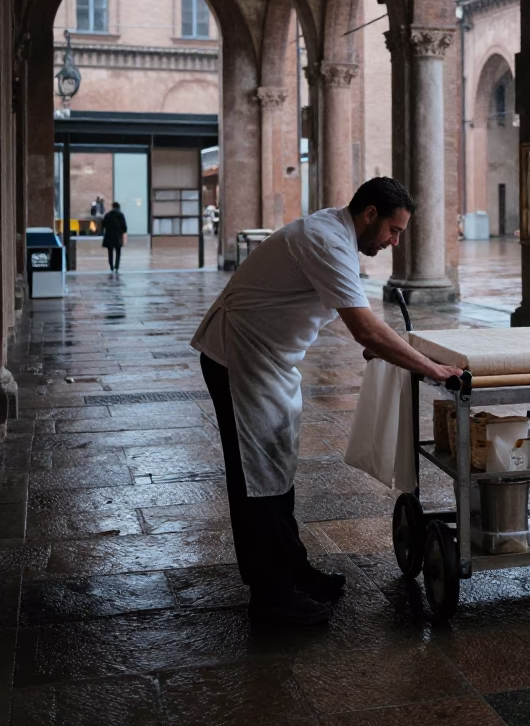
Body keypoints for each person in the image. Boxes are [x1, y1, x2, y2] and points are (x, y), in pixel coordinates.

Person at [190, 177, 462, 626]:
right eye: (393, 230)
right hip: (239, 355)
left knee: (276, 471)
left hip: (266, 357)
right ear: (369, 214)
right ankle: (271, 597)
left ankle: (292, 570)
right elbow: (365, 326)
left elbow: (333, 305)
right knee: (257, 481)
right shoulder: (327, 240)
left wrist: (384, 345)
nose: (394, 241)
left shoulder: (334, 234)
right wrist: (430, 368)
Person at [100, 201, 127, 272]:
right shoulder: (120, 215)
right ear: (118, 207)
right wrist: (123, 231)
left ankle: (111, 266)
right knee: (118, 252)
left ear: (112, 207)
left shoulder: (107, 215)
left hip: (109, 236)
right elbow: (124, 227)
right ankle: (116, 267)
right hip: (117, 236)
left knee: (110, 252)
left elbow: (103, 225)